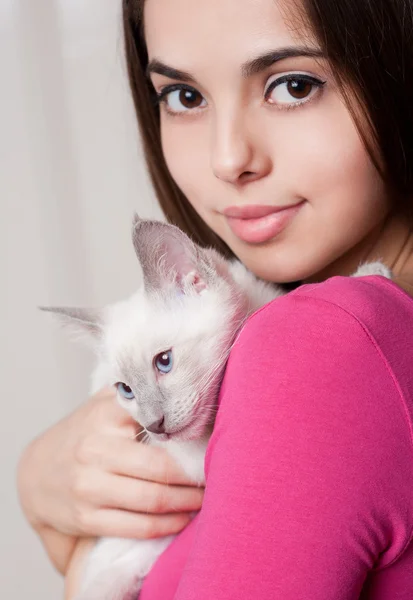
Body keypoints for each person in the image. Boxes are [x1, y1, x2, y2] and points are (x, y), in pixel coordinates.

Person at [17, 0, 413, 597]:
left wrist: (70, 558)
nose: (228, 159)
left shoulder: (321, 342)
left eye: (294, 84)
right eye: (184, 97)